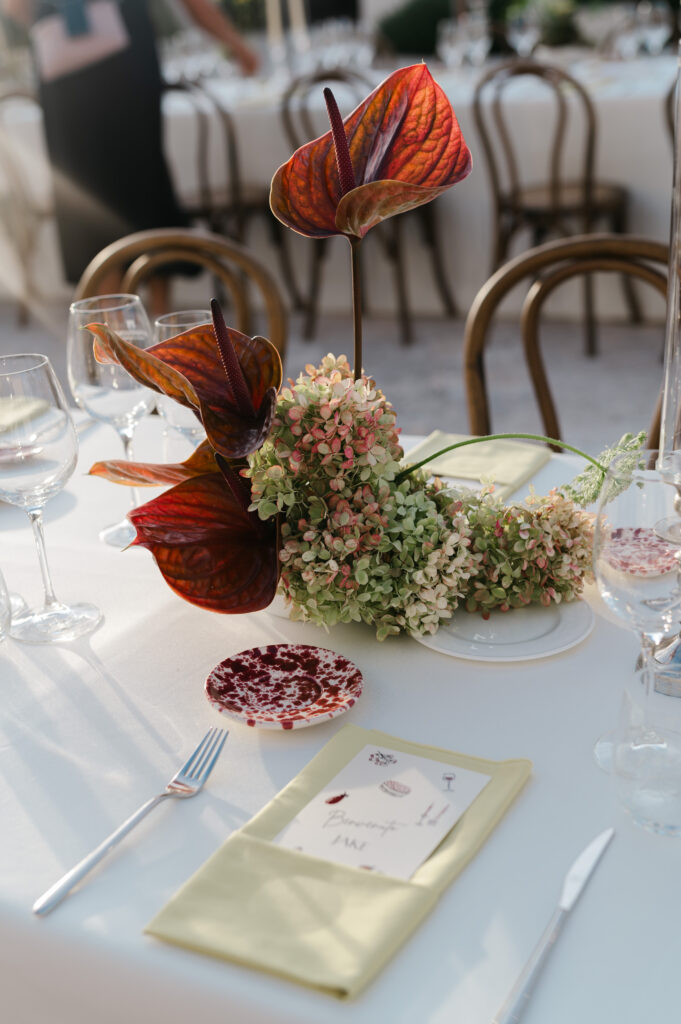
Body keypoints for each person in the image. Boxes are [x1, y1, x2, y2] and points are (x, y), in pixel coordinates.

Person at [2, 0, 260, 311]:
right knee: (141, 186)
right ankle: (151, 318)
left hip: (65, 61)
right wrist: (236, 45)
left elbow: (14, 6)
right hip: (121, 62)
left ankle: (118, 323)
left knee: (94, 192)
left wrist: (59, 14)